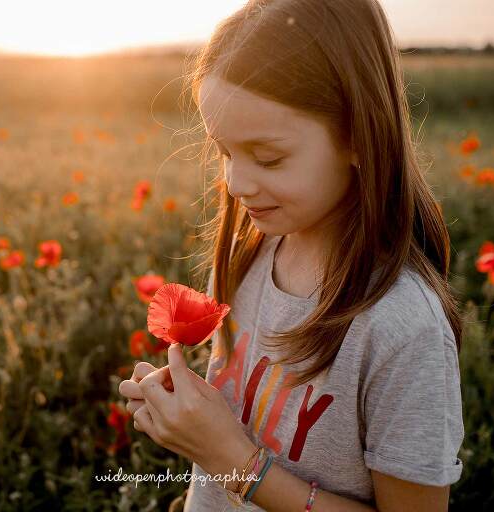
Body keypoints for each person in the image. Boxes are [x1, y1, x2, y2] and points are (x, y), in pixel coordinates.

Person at [117, 0, 465, 510]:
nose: (235, 182)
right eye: (224, 151)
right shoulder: (249, 256)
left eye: (269, 157)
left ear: (359, 136)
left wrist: (235, 463)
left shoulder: (402, 327)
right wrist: (188, 417)